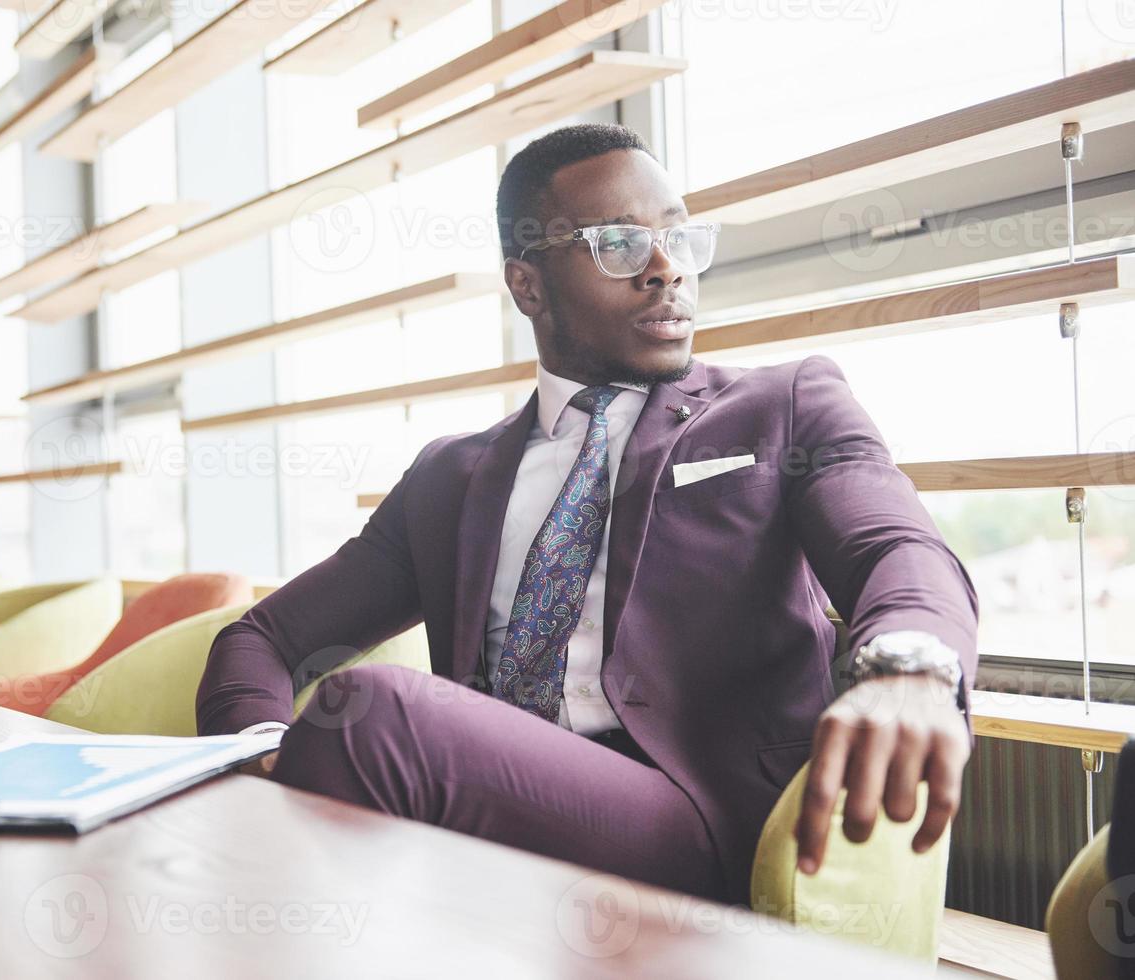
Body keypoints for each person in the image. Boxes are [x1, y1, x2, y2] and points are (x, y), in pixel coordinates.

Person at [195, 123, 978, 906]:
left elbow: (896, 548)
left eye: (677, 235)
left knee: (373, 711)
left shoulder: (781, 406)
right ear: (527, 285)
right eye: (619, 245)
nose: (666, 269)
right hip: (483, 822)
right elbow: (263, 638)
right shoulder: (448, 477)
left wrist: (910, 670)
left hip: (709, 827)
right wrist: (264, 753)